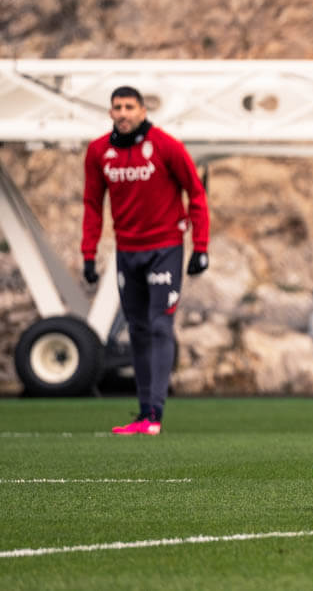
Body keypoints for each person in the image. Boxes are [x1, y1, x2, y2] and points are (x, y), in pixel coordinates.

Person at [82, 86, 210, 435]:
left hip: (165, 248)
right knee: (137, 329)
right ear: (110, 112)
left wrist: (200, 246)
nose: (123, 113)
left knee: (159, 326)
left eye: (129, 107)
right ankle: (143, 414)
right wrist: (88, 254)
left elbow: (196, 193)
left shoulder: (167, 146)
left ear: (142, 111)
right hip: (127, 252)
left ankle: (155, 413)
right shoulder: (98, 151)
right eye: (117, 107)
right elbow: (92, 204)